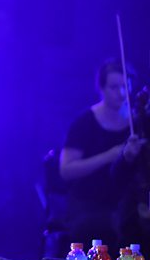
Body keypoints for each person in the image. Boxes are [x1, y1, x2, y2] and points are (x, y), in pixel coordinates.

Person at [59, 60, 146, 245]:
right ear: (101, 88)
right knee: (102, 228)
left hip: (127, 201)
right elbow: (66, 170)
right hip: (88, 201)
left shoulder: (139, 121)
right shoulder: (84, 122)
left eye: (125, 86)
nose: (121, 93)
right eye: (114, 87)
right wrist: (109, 156)